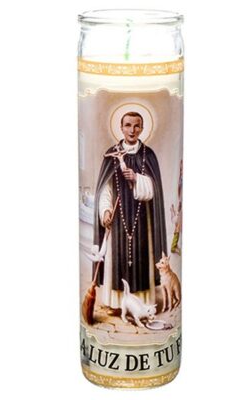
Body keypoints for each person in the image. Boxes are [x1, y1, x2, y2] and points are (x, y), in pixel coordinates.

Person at [92, 111, 167, 309]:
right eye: (127, 125)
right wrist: (105, 211)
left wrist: (137, 179)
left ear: (142, 128)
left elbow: (155, 189)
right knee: (117, 258)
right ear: (121, 127)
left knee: (142, 257)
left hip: (142, 219)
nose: (132, 130)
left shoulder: (148, 155)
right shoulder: (111, 154)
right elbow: (105, 189)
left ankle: (143, 301)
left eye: (136, 126)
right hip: (118, 220)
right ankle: (116, 303)